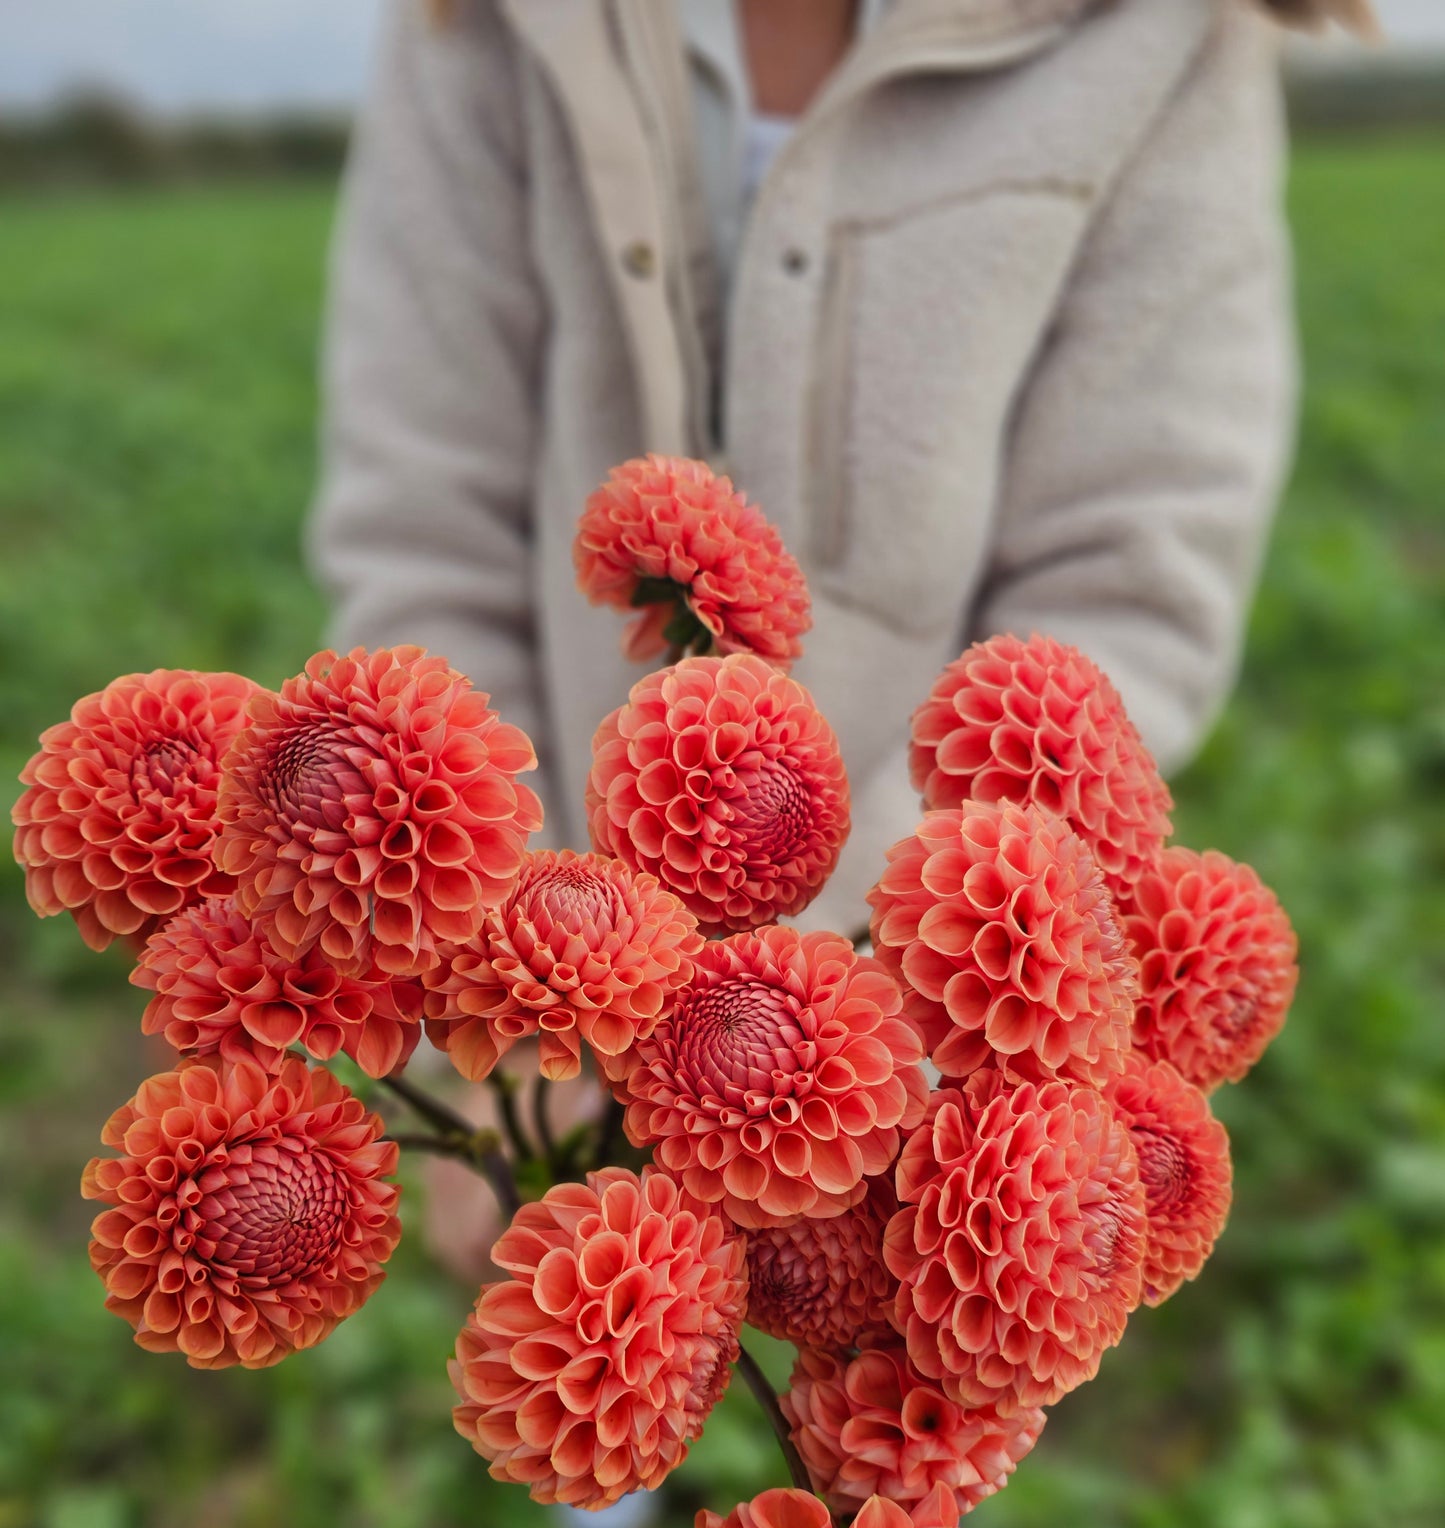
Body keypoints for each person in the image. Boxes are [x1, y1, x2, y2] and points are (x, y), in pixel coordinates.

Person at [310, 0, 1374, 931]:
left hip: (931, 1004)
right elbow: (428, 532)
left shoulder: (1164, 34)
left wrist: (840, 987)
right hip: (534, 978)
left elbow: (1122, 595)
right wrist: (516, 964)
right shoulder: (486, 23)